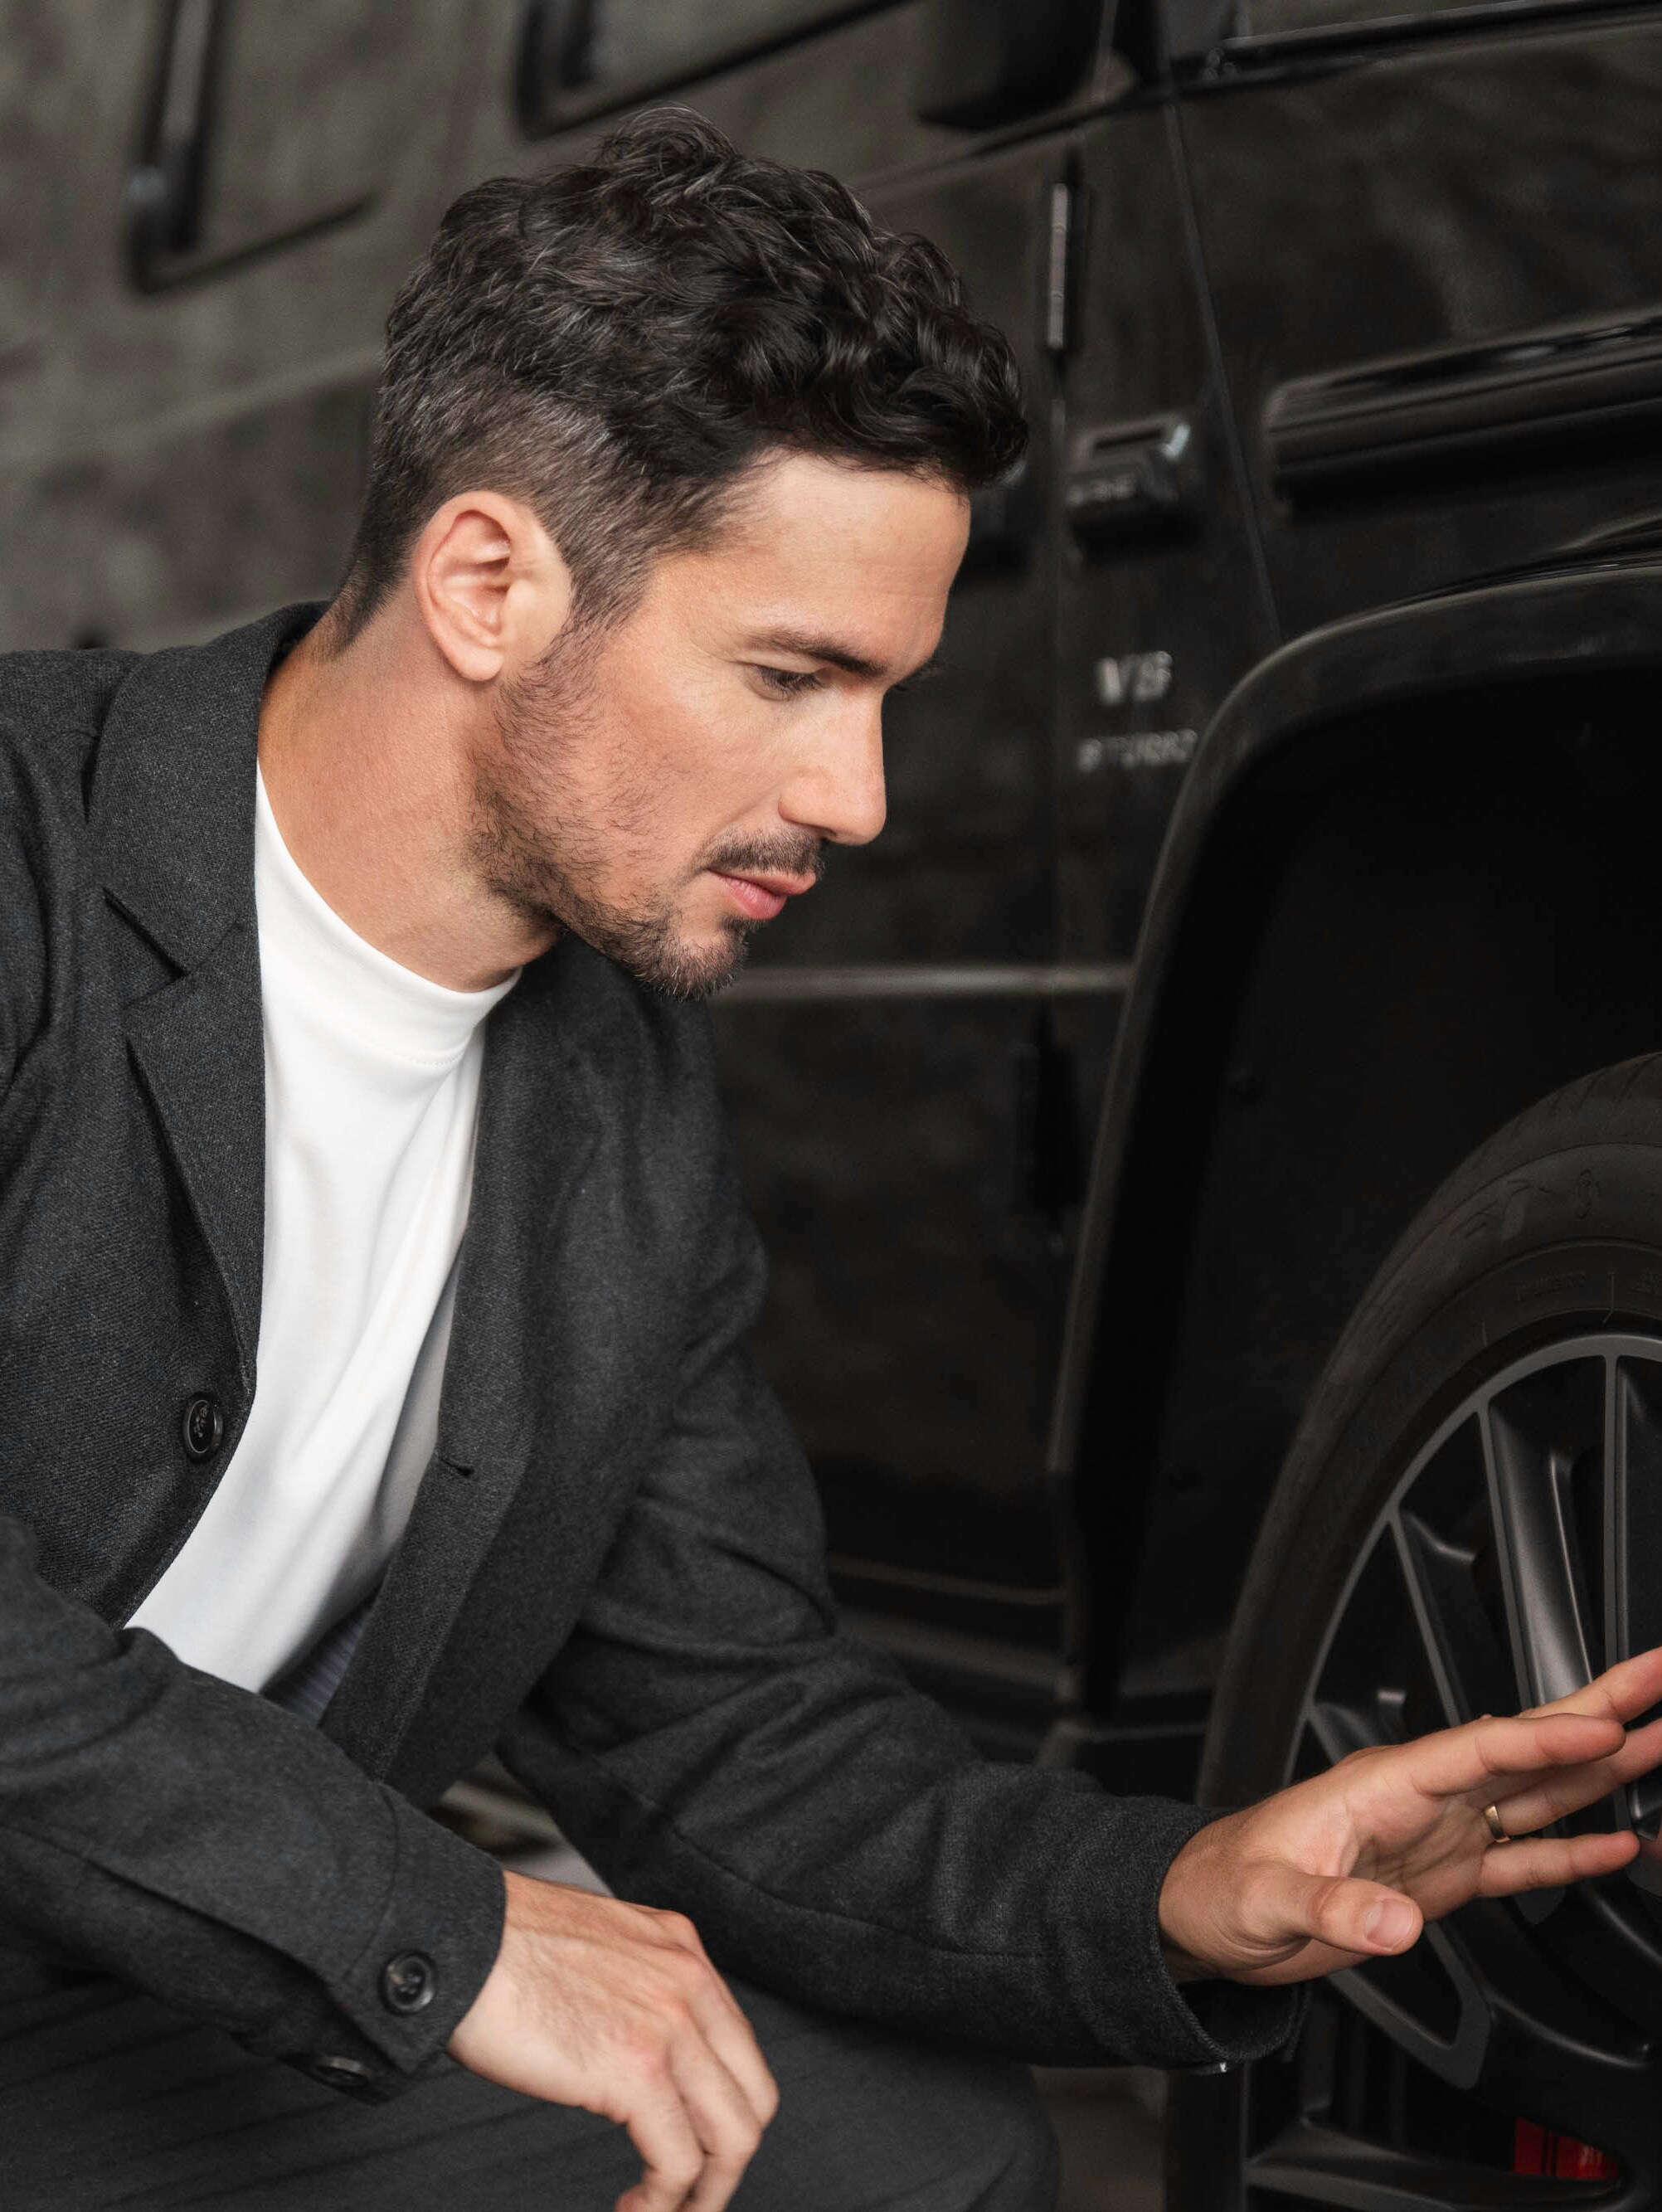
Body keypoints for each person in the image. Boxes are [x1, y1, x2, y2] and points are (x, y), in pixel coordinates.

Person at [1, 109, 1659, 2212]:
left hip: (142, 2000)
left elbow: (736, 1735)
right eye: (793, 676)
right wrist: (448, 1923)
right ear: (489, 580)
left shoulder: (614, 1096)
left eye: (887, 694)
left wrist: (1192, 1883)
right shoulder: (24, 864)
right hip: (195, 1948)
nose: (859, 794)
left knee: (900, 2153)